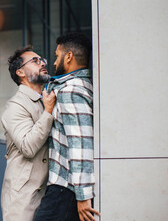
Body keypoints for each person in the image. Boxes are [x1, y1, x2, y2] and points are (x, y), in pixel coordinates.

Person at [33, 33, 100, 221]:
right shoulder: (83, 86)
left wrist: (83, 195)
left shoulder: (71, 90)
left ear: (68, 56)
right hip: (68, 189)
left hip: (65, 188)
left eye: (57, 55)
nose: (54, 63)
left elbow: (81, 143)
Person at [1, 45, 56, 221]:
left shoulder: (46, 99)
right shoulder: (15, 106)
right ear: (20, 72)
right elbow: (28, 147)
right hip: (22, 198)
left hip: (48, 195)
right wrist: (48, 112)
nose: (42, 63)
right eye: (35, 61)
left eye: (42, 60)